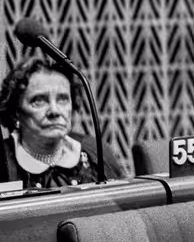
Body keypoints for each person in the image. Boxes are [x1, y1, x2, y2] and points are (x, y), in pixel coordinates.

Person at [0, 58, 124, 188]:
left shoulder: (96, 152)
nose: (54, 111)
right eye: (39, 101)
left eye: (62, 99)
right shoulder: (2, 161)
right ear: (15, 112)